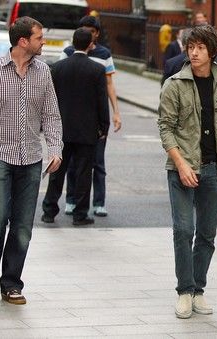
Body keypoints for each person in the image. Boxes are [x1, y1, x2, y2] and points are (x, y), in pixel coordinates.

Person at [0, 16, 63, 305]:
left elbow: (51, 116)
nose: (43, 42)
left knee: (22, 226)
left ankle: (11, 284)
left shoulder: (43, 72)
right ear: (23, 41)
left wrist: (55, 149)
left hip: (31, 158)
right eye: (39, 38)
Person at [157, 24, 217, 319]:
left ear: (212, 52)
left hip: (214, 169)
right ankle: (184, 291)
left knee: (207, 235)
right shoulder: (174, 84)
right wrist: (182, 163)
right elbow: (165, 128)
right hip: (182, 169)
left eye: (200, 48)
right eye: (191, 47)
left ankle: (198, 289)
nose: (194, 52)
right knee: (184, 230)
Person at [41, 28, 110, 226]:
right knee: (83, 173)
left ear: (73, 42)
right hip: (87, 130)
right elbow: (101, 102)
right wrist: (103, 128)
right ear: (90, 44)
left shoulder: (58, 67)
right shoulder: (96, 70)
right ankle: (80, 213)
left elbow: (50, 99)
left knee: (57, 171)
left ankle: (49, 210)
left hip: (62, 128)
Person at [61, 15, 122, 218]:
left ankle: (99, 202)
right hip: (73, 115)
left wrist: (116, 112)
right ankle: (71, 200)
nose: (88, 34)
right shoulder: (68, 52)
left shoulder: (104, 54)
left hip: (94, 116)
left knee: (98, 162)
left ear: (97, 33)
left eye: (91, 31)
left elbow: (109, 84)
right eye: (84, 30)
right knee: (71, 163)